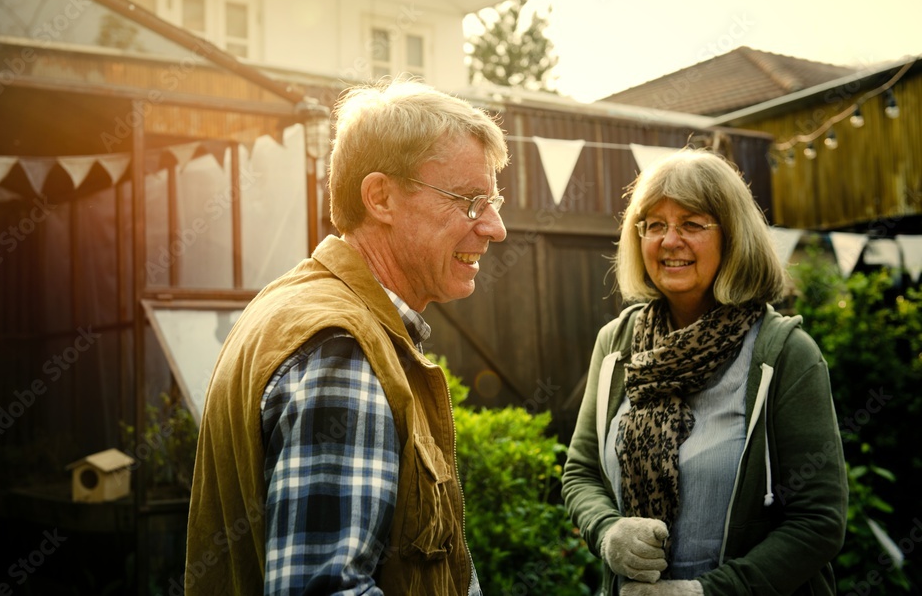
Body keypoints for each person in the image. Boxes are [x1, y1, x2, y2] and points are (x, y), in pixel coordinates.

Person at [185, 78, 509, 595]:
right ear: (380, 196)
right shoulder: (342, 347)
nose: (495, 227)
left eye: (493, 200)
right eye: (470, 201)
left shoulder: (302, 306)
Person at [561, 148, 847, 595]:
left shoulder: (785, 355)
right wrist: (607, 531)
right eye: (655, 224)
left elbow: (819, 522)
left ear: (732, 236)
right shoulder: (615, 345)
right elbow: (580, 472)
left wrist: (705, 593)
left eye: (692, 224)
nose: (670, 241)